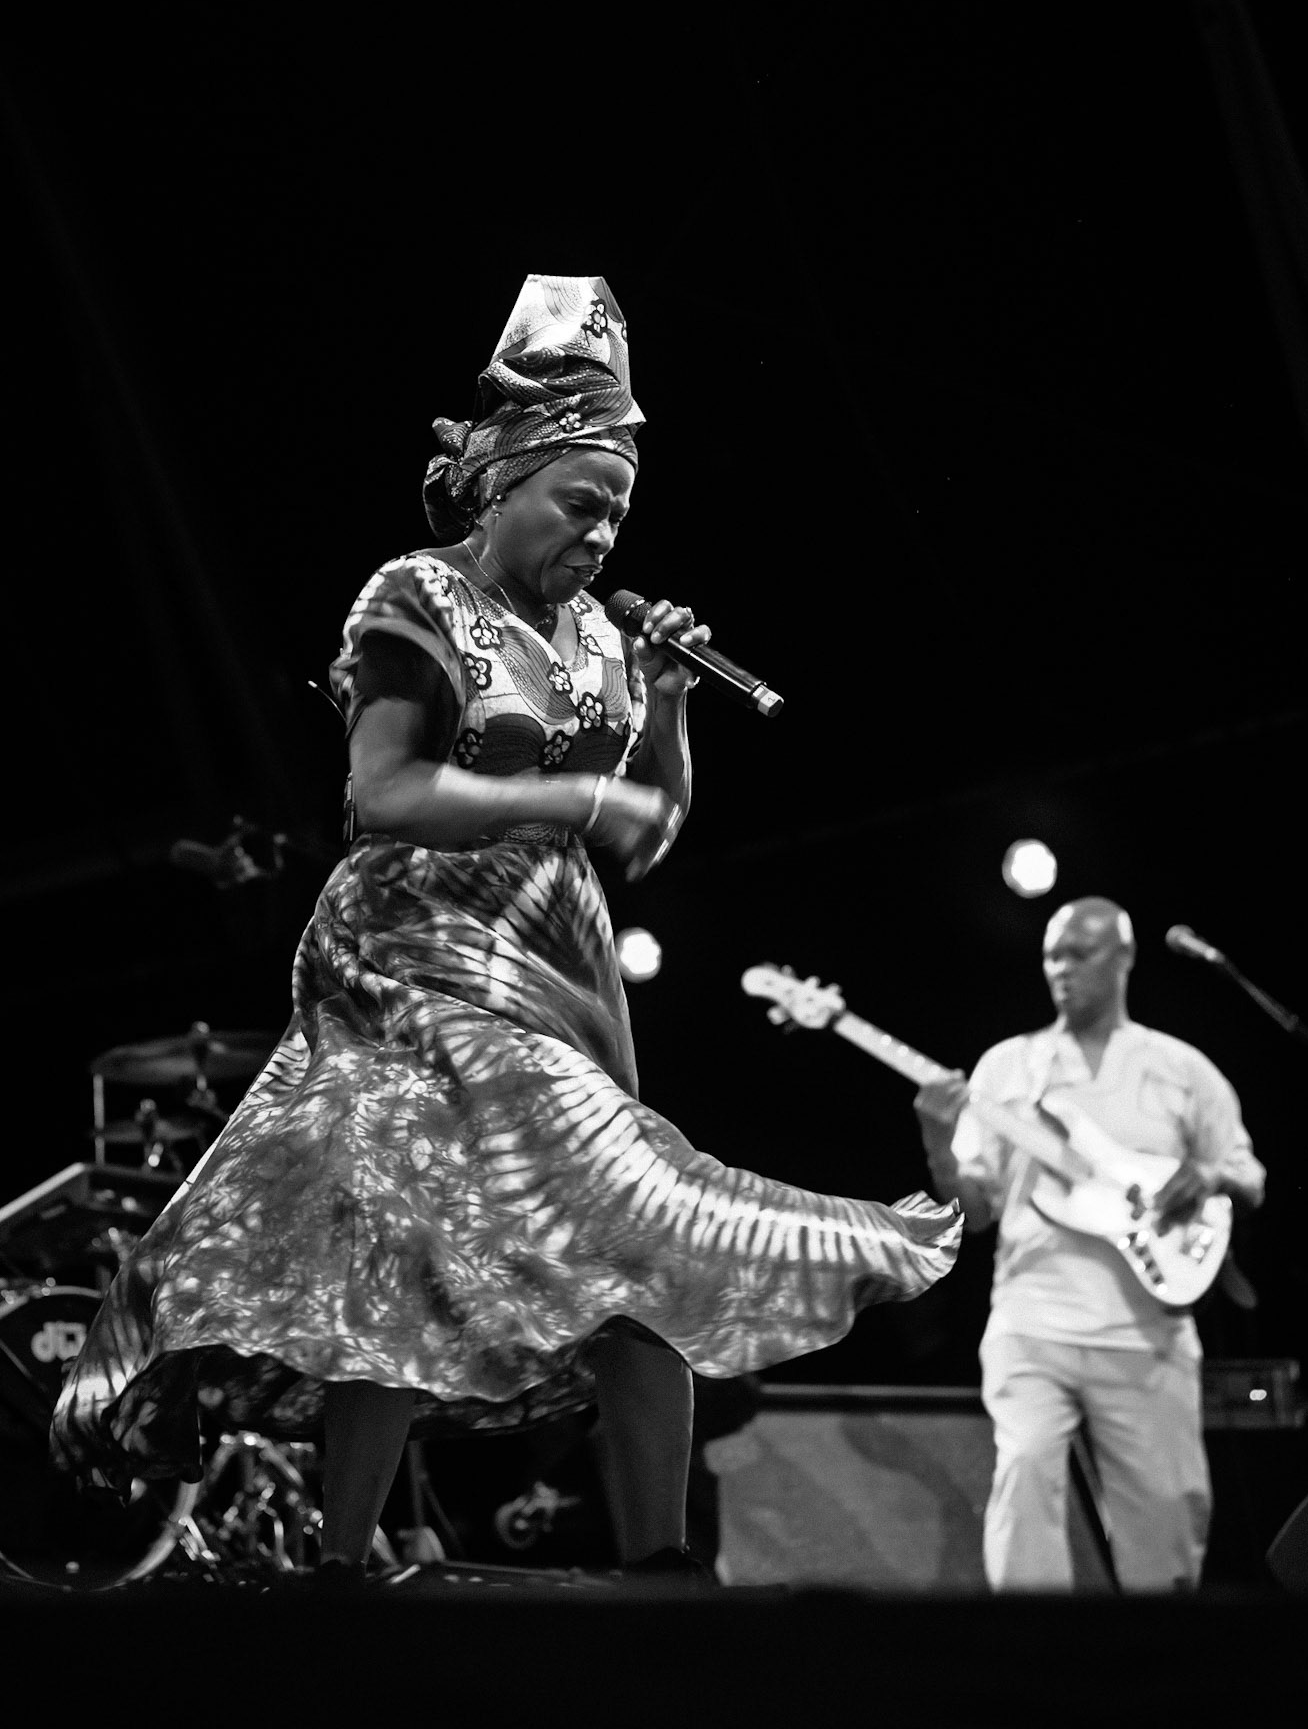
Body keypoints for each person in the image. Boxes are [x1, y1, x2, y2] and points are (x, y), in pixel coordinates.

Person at [54, 273, 961, 1580]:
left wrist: (664, 706)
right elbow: (381, 791)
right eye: (579, 505)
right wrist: (578, 790)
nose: (601, 537)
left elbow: (645, 826)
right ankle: (409, 1556)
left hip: (555, 963)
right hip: (410, 955)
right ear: (499, 485)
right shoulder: (412, 599)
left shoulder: (599, 634)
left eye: (619, 516)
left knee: (412, 1264)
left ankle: (582, 1565)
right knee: (628, 1206)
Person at [914, 895, 1264, 1592]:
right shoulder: (1006, 1069)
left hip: (1148, 1332)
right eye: (1050, 955)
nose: (1060, 968)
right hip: (1031, 1321)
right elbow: (973, 1214)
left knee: (1163, 1524)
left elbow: (1248, 1175)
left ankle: (1159, 1678)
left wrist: (1206, 1174)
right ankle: (1035, 1665)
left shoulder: (1179, 1067)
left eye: (1079, 953)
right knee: (1022, 1487)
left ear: (1124, 957)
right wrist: (936, 1143)